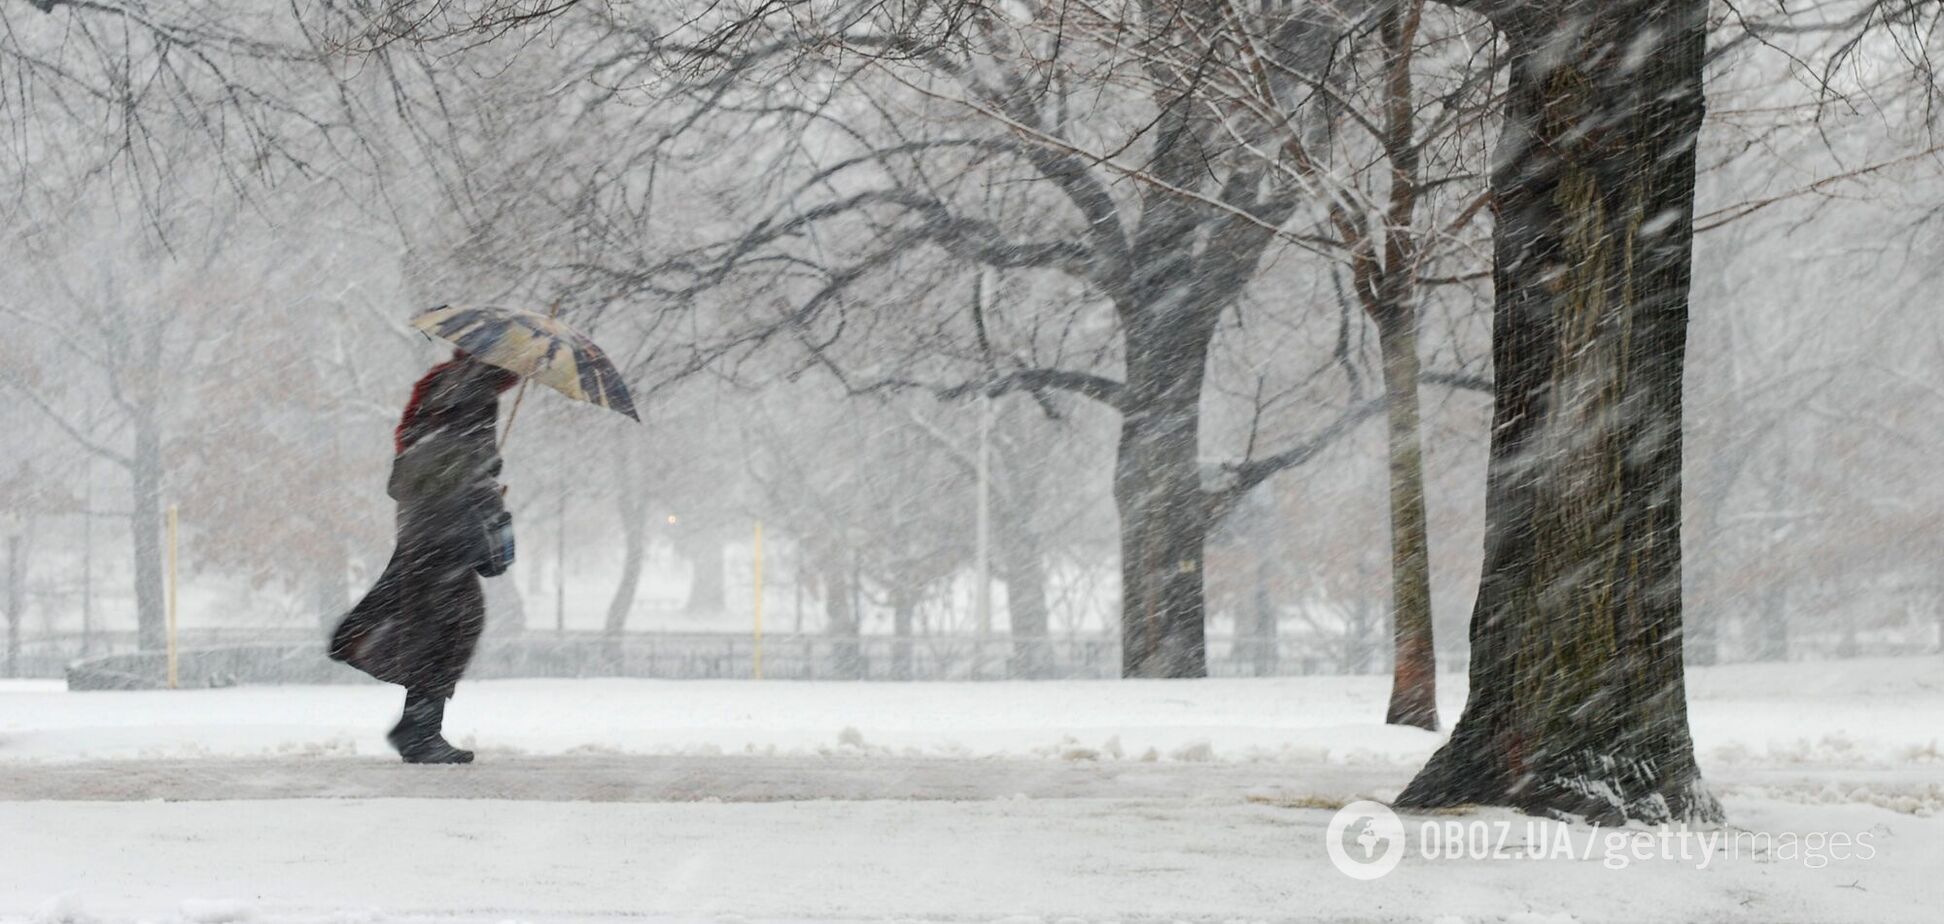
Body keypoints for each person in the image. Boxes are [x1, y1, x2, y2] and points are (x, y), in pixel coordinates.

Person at [330, 352, 520, 764]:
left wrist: (480, 474)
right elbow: (461, 456)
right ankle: (418, 731)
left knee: (434, 626)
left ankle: (417, 727)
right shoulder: (475, 390)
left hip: (423, 524)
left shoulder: (446, 382)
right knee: (448, 630)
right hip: (445, 528)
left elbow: (426, 453)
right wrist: (485, 480)